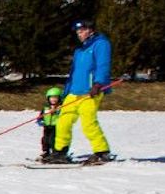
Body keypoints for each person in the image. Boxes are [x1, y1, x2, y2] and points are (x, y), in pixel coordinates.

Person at [43, 19, 114, 164]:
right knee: (63, 121)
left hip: (90, 92)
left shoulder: (101, 44)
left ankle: (102, 152)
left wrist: (98, 83)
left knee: (88, 122)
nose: (79, 34)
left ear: (90, 30)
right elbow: (74, 73)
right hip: (74, 92)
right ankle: (60, 152)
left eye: (81, 31)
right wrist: (65, 93)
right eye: (77, 31)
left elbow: (103, 65)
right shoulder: (79, 50)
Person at [37, 85, 66, 156]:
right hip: (47, 126)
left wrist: (56, 111)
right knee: (45, 140)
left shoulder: (61, 108)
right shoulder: (46, 108)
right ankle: (46, 151)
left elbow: (63, 115)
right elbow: (41, 115)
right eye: (51, 98)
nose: (53, 100)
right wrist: (40, 121)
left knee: (52, 140)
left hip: (56, 127)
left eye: (55, 98)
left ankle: (55, 152)